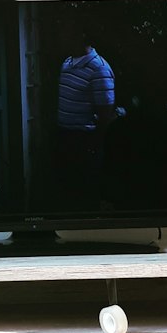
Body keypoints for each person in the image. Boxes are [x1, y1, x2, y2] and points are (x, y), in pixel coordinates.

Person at [55, 31, 115, 208]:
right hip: (64, 137)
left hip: (84, 141)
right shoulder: (67, 63)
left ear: (80, 37)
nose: (62, 37)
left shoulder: (99, 68)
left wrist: (93, 145)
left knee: (85, 194)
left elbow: (105, 114)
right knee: (67, 192)